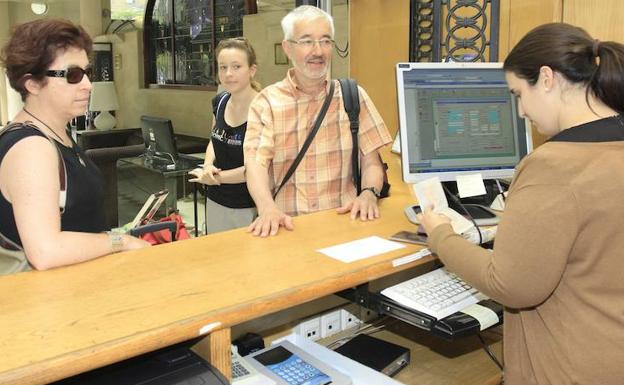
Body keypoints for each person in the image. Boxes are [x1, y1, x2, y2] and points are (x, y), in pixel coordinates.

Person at [418, 23, 624, 385]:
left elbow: (511, 284)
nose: (521, 111)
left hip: (571, 369)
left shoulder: (554, 166)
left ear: (547, 79)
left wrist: (441, 235)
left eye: (517, 93)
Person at [0, 19, 149, 271]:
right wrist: (119, 241)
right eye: (72, 75)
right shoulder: (31, 148)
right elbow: (45, 251)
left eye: (86, 72)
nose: (88, 85)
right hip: (50, 302)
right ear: (32, 83)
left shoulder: (57, 134)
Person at [243, 5, 392, 237]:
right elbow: (256, 165)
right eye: (306, 41)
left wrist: (369, 193)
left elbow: (372, 161)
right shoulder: (266, 103)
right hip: (287, 227)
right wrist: (267, 208)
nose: (318, 51)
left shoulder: (353, 97)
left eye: (325, 41)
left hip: (346, 224)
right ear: (287, 48)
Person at [189, 38, 260, 233]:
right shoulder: (220, 101)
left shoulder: (263, 108)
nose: (228, 74)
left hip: (249, 205)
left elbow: (258, 168)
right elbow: (214, 138)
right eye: (223, 67)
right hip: (216, 199)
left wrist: (216, 178)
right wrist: (208, 165)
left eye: (236, 66)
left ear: (252, 70)